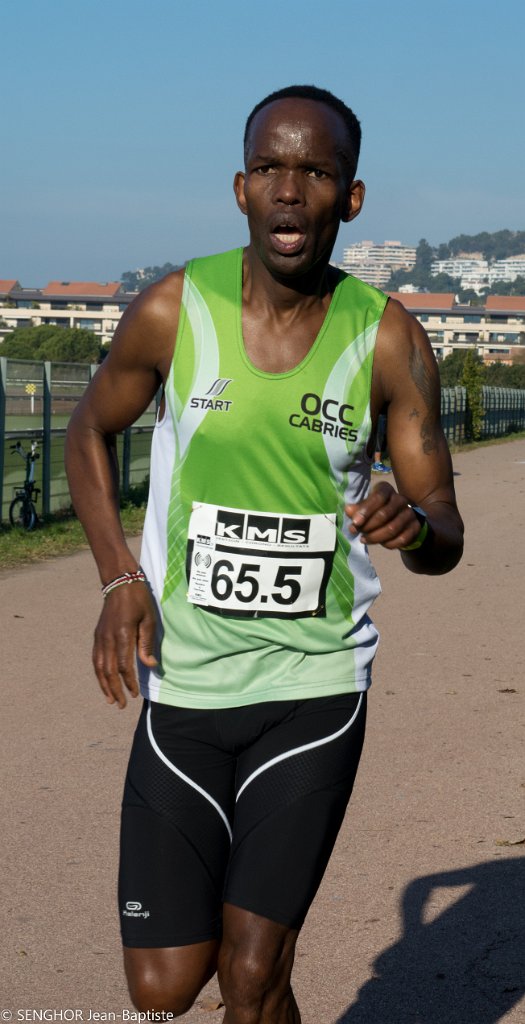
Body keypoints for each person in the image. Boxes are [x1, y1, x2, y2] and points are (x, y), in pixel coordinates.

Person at [65, 84, 464, 1024]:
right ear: (240, 188)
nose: (290, 189)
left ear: (350, 198)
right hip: (185, 685)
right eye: (270, 169)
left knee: (251, 975)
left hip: (313, 687)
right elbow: (87, 429)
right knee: (162, 988)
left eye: (315, 172)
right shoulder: (174, 309)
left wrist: (412, 525)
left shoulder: (387, 338)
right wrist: (120, 576)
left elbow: (445, 527)